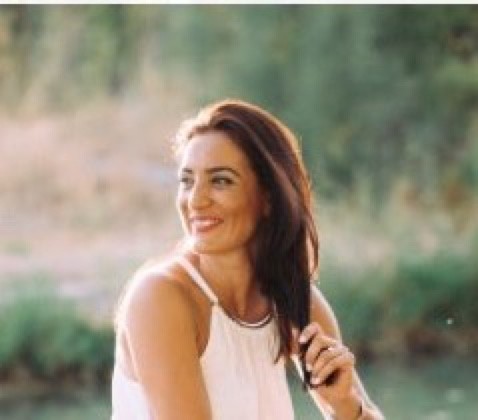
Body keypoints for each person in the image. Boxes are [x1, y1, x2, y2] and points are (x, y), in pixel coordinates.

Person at [111, 99, 384, 420]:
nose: (195, 200)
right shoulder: (159, 298)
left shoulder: (295, 299)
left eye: (220, 180)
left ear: (269, 197)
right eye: (187, 181)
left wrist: (344, 405)